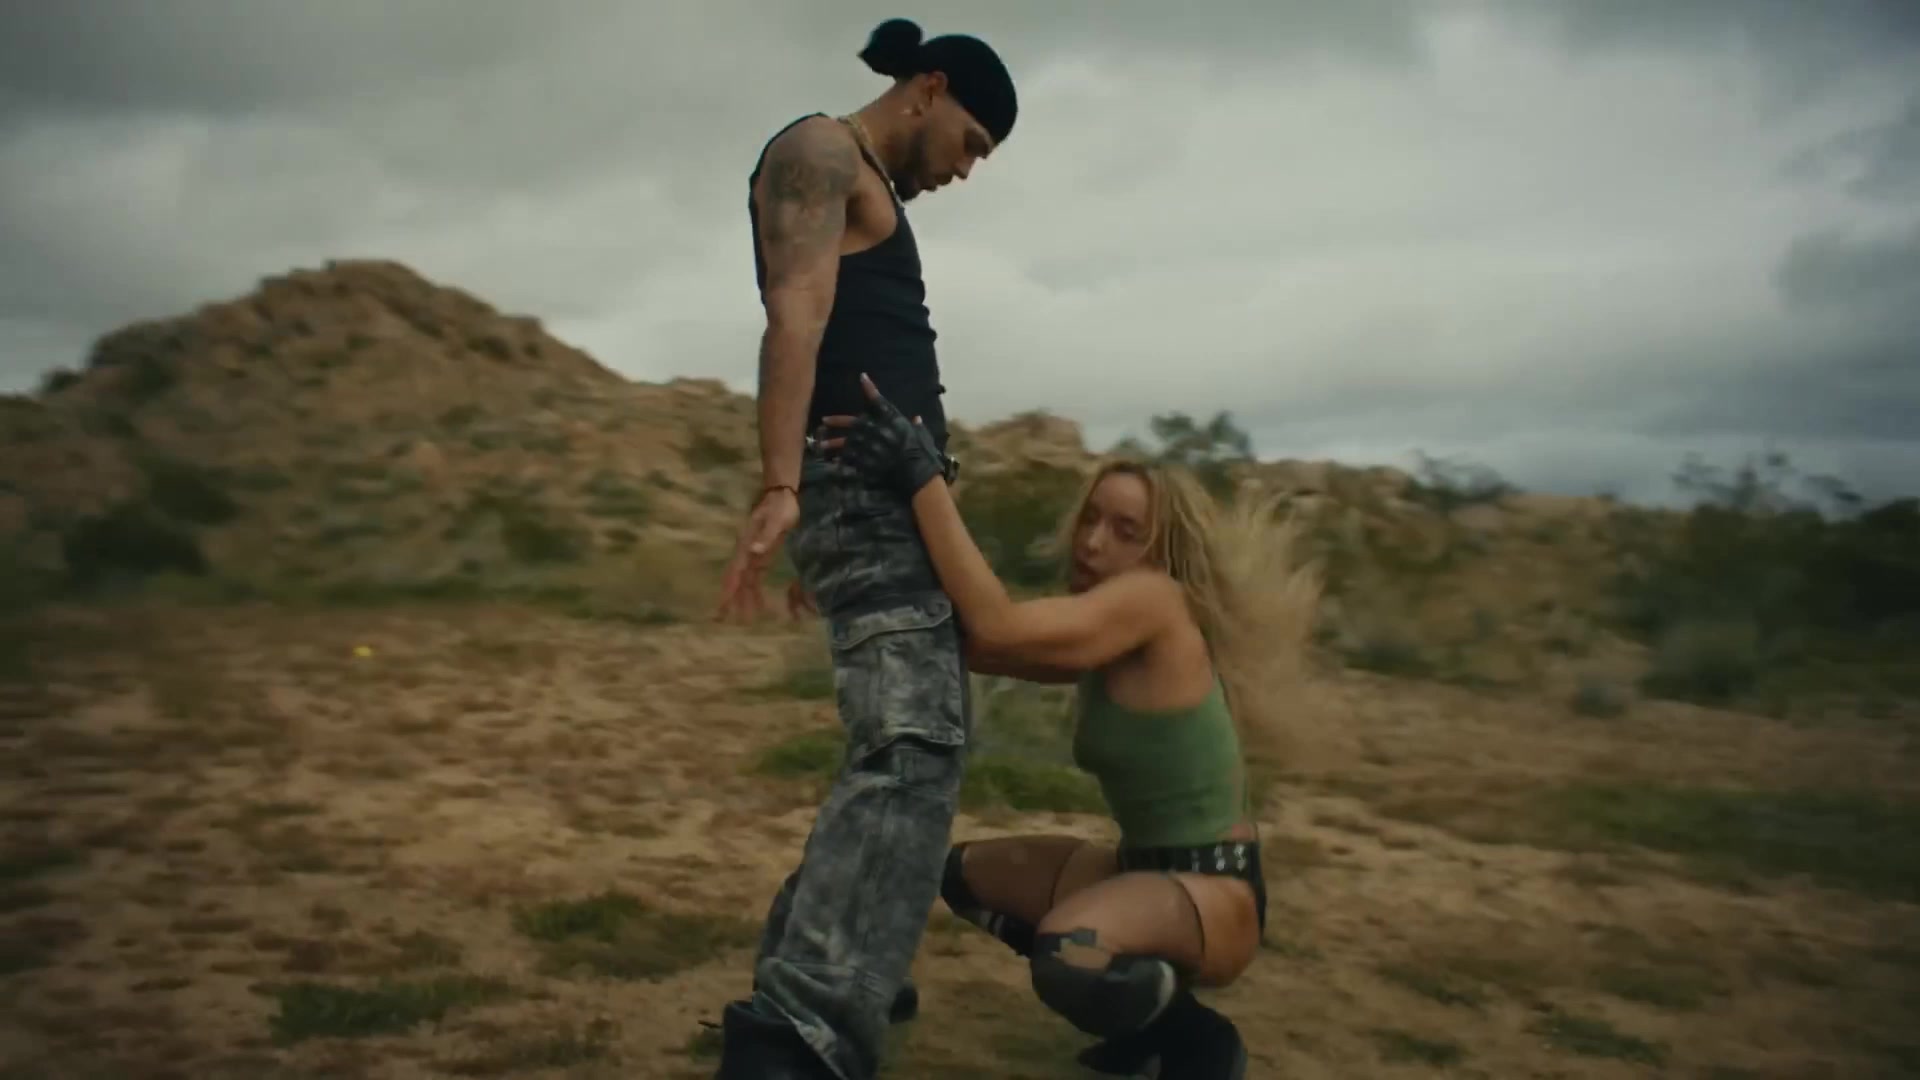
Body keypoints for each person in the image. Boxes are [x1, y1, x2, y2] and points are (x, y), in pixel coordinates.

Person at [815, 374, 1321, 1079]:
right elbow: (982, 644)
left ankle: (1197, 1042)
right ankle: (1141, 1010)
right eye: (1091, 519)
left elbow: (997, 624)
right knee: (962, 877)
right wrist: (856, 566)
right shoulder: (1113, 631)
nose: (1093, 541)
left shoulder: (1153, 602)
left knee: (1068, 954)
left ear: (1157, 552)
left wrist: (921, 475)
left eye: (1125, 531)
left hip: (1212, 891)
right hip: (1139, 871)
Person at [709, 16, 1019, 1080]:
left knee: (915, 744)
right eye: (972, 141)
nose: (966, 169)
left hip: (886, 500)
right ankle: (799, 1028)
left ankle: (851, 958)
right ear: (928, 88)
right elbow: (796, 317)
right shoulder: (821, 152)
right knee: (910, 749)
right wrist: (786, 490)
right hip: (862, 493)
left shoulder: (864, 178)